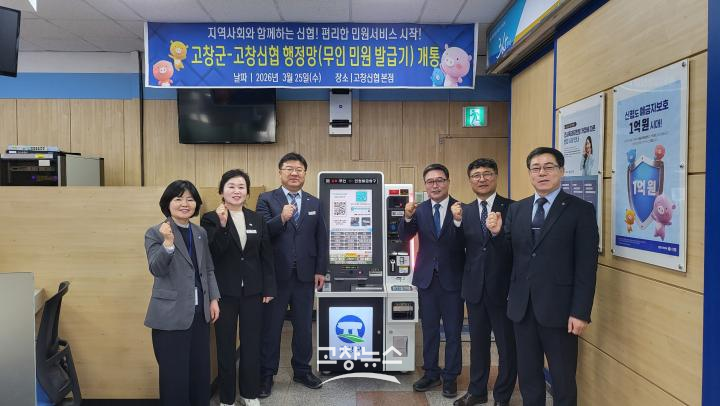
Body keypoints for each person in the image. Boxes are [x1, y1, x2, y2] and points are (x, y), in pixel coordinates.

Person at [487, 147, 599, 406]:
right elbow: (508, 256)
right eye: (536, 168)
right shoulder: (518, 209)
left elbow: (586, 266)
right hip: (522, 309)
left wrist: (580, 312)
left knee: (563, 378)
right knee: (528, 376)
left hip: (561, 311)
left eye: (549, 167)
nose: (542, 173)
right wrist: (496, 234)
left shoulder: (580, 210)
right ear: (529, 174)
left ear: (561, 171)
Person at [201, 169, 276, 406]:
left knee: (251, 344)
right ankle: (227, 398)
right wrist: (223, 225)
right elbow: (213, 253)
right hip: (224, 292)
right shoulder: (210, 218)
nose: (236, 191)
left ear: (247, 192)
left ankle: (249, 393)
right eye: (231, 186)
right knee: (225, 347)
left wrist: (269, 288)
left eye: (241, 187)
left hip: (253, 291)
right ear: (221, 191)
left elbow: (266, 256)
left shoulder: (257, 219)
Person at [256, 152, 328, 397]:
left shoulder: (314, 202)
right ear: (280, 172)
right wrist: (281, 218)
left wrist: (320, 269)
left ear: (305, 173)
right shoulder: (267, 199)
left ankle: (302, 370)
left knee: (304, 326)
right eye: (289, 169)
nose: (294, 173)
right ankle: (266, 374)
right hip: (275, 277)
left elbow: (321, 239)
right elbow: (262, 234)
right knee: (271, 327)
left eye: (299, 169)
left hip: (305, 276)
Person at [143, 180, 220, 406]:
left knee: (200, 372)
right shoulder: (155, 232)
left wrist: (213, 299)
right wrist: (168, 243)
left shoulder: (199, 232)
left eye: (190, 199)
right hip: (170, 314)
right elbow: (156, 268)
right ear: (167, 203)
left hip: (199, 313)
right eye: (178, 199)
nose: (185, 204)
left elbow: (208, 269)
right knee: (174, 376)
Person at [450, 158, 517, 406]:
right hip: (474, 289)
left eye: (487, 173)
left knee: (507, 347)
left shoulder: (513, 208)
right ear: (470, 181)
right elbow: (456, 249)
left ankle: (502, 396)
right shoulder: (464, 211)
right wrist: (456, 223)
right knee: (478, 345)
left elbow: (517, 248)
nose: (482, 179)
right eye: (476, 175)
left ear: (496, 176)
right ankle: (476, 392)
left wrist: (498, 233)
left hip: (503, 289)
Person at [399, 163, 465, 398]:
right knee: (429, 330)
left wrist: (458, 221)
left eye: (439, 180)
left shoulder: (462, 209)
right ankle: (431, 373)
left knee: (453, 332)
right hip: (426, 279)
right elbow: (404, 236)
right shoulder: (420, 210)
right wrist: (407, 217)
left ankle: (451, 376)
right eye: (430, 181)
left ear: (448, 182)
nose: (435, 185)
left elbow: (466, 242)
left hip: (453, 280)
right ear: (425, 185)